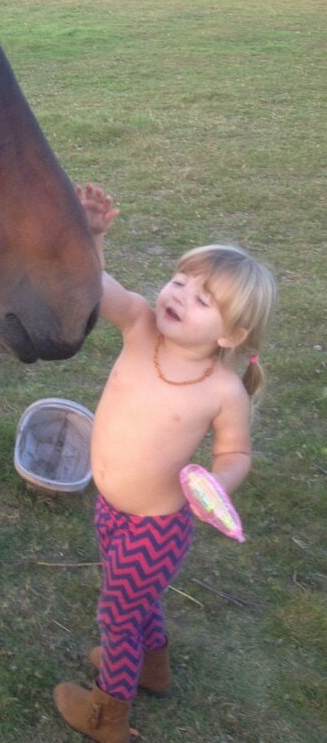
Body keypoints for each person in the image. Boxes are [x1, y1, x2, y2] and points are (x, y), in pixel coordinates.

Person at [53, 183, 277, 743]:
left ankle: (109, 717)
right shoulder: (141, 327)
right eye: (180, 281)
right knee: (134, 601)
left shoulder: (224, 390)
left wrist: (217, 484)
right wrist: (94, 234)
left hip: (156, 526)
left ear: (231, 333)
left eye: (204, 300)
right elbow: (98, 287)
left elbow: (235, 453)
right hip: (111, 510)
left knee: (118, 617)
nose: (179, 295)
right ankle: (153, 669)